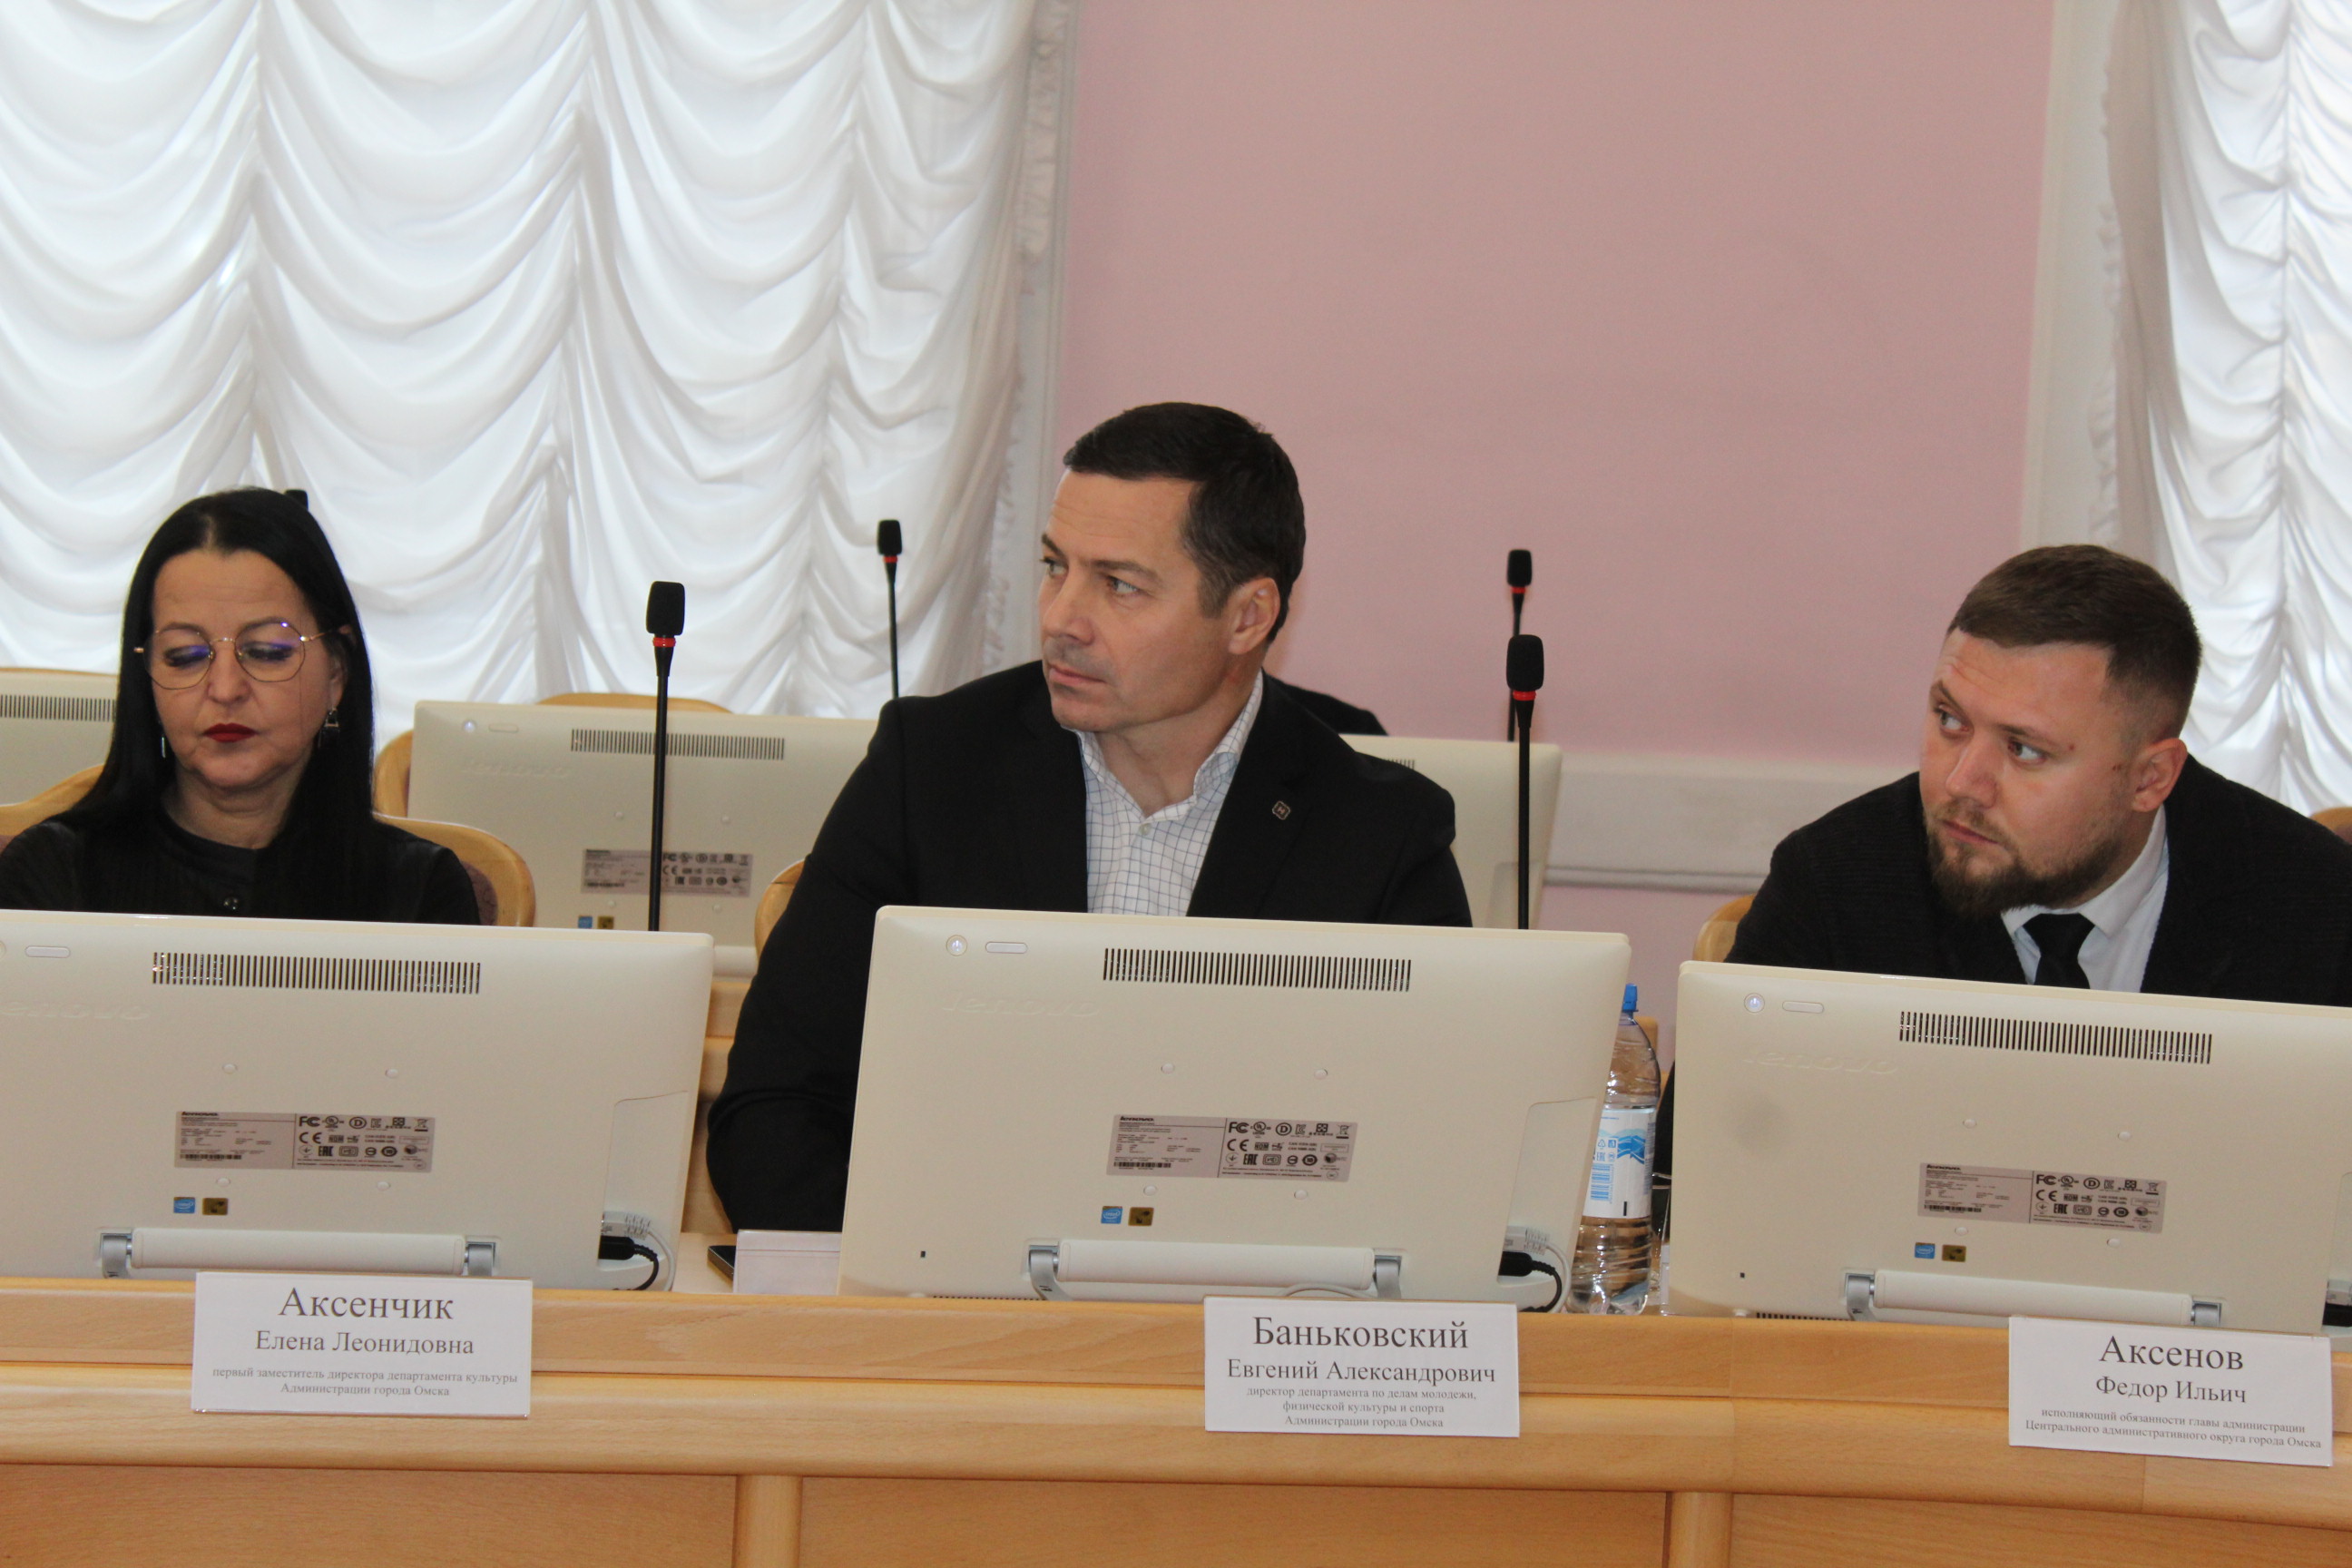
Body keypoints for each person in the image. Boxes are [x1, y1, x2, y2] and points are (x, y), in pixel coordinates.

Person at [711, 402, 1470, 1230]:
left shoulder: (1379, 834)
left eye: (1119, 585)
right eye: (1055, 567)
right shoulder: (931, 769)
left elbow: (1425, 1143)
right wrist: (899, 1271)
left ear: (1248, 616)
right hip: (947, 1273)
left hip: (1241, 1287)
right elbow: (776, 1105)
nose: (1060, 620)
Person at [1725, 544, 2352, 998]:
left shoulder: (2317, 906)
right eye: (1950, 720)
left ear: (2150, 779)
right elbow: (1701, 1140)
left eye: (2024, 750)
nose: (1962, 783)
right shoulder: (1835, 883)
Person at [0, 487, 478, 924]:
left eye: (266, 652)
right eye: (185, 656)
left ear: (336, 673)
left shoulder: (419, 889)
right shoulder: (55, 875)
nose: (226, 689)